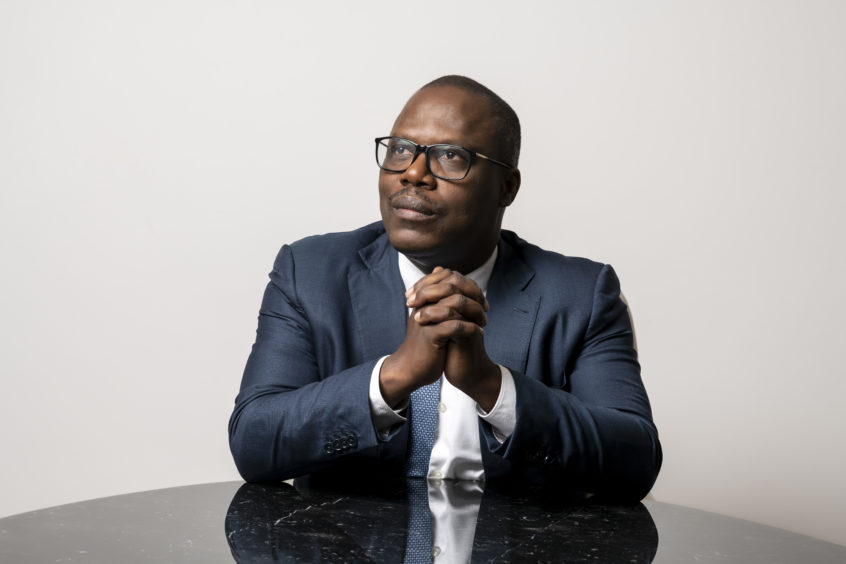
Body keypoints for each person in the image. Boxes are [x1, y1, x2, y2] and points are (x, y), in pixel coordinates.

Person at [228, 75, 661, 501]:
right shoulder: (310, 272)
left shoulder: (582, 294)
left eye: (451, 156)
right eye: (400, 150)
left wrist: (492, 384)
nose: (413, 173)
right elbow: (254, 442)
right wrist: (393, 376)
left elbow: (635, 460)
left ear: (507, 187)